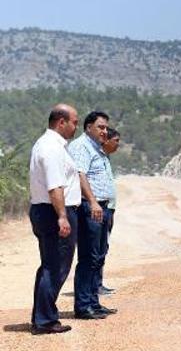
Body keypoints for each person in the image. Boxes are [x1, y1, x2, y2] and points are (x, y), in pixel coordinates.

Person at [28, 104, 81, 335]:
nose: (75, 126)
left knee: (51, 266)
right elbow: (55, 186)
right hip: (53, 212)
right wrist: (62, 216)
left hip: (49, 211)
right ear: (61, 122)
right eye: (74, 122)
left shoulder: (51, 145)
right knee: (56, 266)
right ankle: (45, 320)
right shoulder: (51, 147)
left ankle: (42, 316)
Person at [68, 111, 117, 319]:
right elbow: (80, 174)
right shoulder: (81, 146)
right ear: (88, 127)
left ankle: (93, 303)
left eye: (106, 127)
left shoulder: (96, 148)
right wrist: (94, 202)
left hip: (101, 207)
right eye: (100, 127)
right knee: (88, 257)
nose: (104, 131)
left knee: (97, 257)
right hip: (91, 207)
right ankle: (83, 306)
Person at [97, 127, 120, 295]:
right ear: (106, 140)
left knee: (103, 247)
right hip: (101, 209)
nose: (118, 144)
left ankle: (98, 282)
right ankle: (95, 285)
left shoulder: (105, 158)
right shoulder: (98, 157)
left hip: (109, 209)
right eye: (116, 140)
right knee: (97, 248)